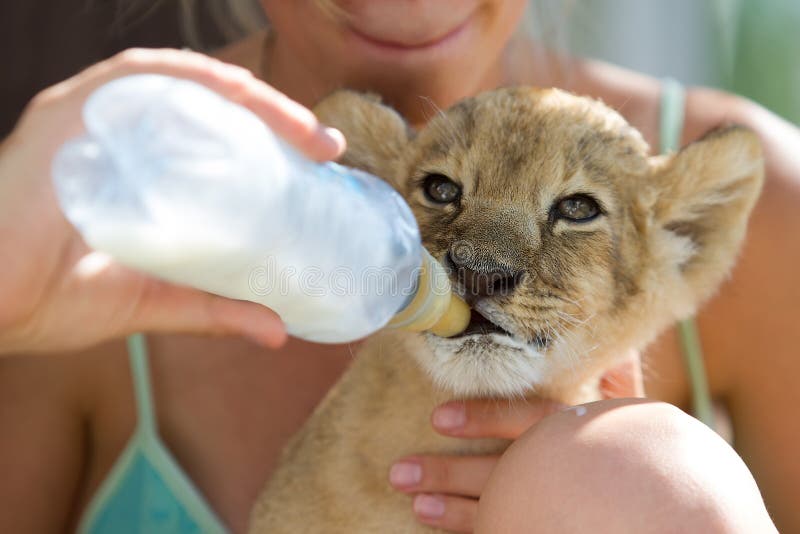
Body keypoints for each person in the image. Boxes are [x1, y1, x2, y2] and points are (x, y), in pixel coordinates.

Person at [1, 1, 796, 532]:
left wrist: (621, 491)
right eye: (439, 192)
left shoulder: (768, 212)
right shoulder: (99, 208)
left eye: (578, 210)